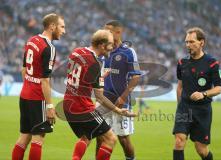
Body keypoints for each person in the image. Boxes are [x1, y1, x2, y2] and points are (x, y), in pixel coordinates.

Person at [63, 29, 136, 160]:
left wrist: (100, 77)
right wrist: (118, 110)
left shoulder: (77, 51)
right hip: (82, 108)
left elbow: (81, 77)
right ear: (102, 45)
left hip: (68, 105)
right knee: (111, 139)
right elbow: (100, 97)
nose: (112, 47)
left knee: (86, 136)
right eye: (110, 44)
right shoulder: (96, 63)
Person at [11, 13, 65, 160]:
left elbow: (23, 70)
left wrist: (29, 85)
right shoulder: (49, 48)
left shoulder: (31, 40)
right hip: (37, 98)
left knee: (23, 138)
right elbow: (45, 80)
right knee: (38, 139)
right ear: (52, 26)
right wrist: (49, 106)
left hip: (25, 95)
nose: (64, 31)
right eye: (62, 26)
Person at [173, 27, 221, 160]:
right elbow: (179, 86)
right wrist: (180, 107)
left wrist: (204, 94)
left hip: (202, 110)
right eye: (186, 42)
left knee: (201, 149)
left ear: (202, 42)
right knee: (179, 141)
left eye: (191, 42)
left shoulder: (212, 63)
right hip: (184, 108)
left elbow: (219, 88)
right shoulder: (182, 62)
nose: (188, 45)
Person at [96, 20, 141, 160]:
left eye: (108, 31)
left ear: (118, 32)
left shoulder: (128, 52)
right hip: (104, 101)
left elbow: (136, 77)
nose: (105, 34)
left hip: (122, 102)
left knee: (123, 139)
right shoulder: (103, 51)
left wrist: (123, 98)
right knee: (100, 136)